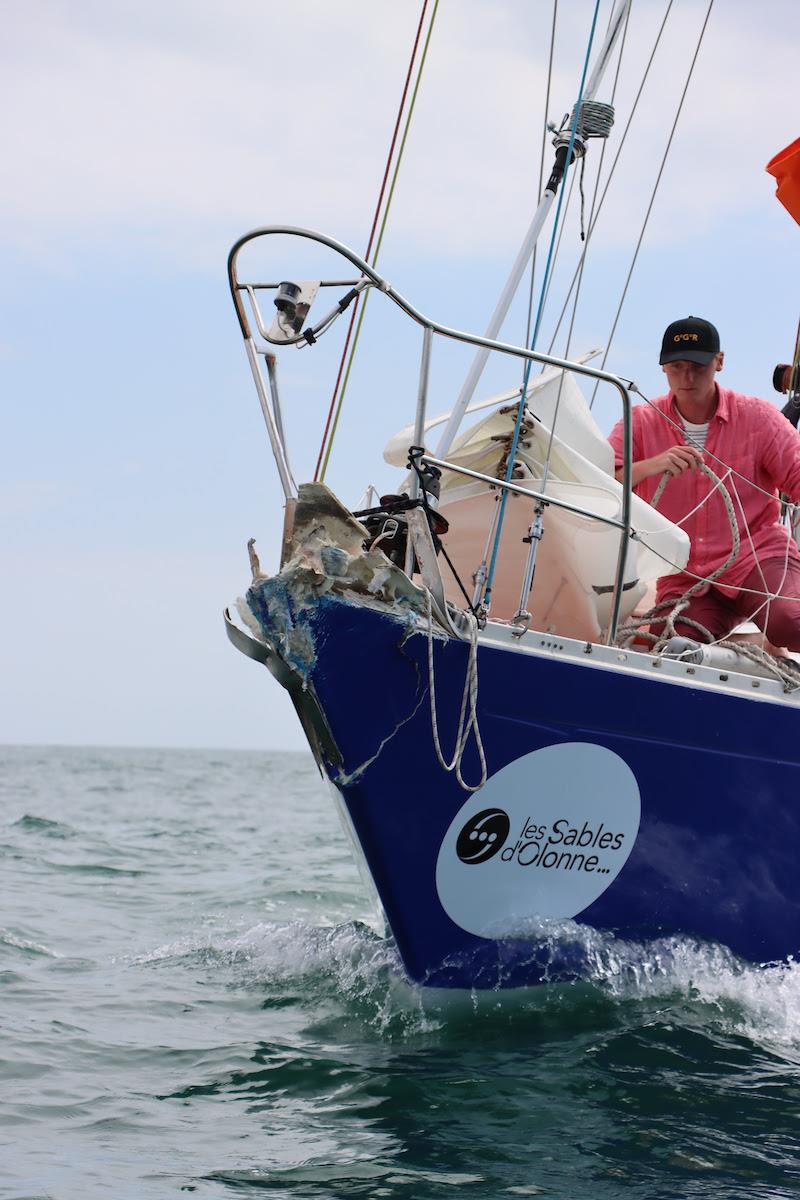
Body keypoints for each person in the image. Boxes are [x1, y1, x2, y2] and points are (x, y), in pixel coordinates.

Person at [608, 316, 800, 650]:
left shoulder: (758, 417)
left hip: (758, 559)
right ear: (663, 368)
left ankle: (776, 642)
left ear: (719, 362)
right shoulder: (640, 422)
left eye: (698, 365)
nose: (687, 376)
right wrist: (652, 465)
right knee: (672, 646)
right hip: (687, 576)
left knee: (788, 622)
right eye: (677, 366)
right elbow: (603, 481)